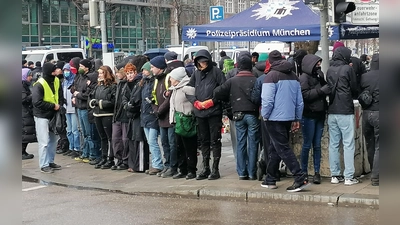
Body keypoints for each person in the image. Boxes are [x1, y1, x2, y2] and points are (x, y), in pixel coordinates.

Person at [260, 50, 309, 192]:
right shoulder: (294, 76)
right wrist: (297, 117)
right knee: (275, 148)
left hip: (274, 117)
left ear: (269, 61)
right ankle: (270, 178)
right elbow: (299, 101)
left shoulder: (270, 76)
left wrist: (265, 115)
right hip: (288, 117)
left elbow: (267, 100)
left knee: (282, 148)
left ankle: (300, 177)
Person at [214, 52, 260, 180]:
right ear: (251, 66)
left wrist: (229, 100)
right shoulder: (255, 80)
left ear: (238, 67)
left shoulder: (232, 81)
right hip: (252, 114)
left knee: (240, 144)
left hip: (238, 114)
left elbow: (217, 92)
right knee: (253, 144)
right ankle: (252, 172)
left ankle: (242, 172)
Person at [186, 49, 226, 180]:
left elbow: (223, 89)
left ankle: (215, 168)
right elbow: (189, 90)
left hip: (213, 112)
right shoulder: (196, 74)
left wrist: (213, 101)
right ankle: (205, 167)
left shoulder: (216, 72)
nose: (202, 64)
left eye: (204, 61)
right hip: (200, 112)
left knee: (215, 140)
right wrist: (195, 102)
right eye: (199, 61)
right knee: (203, 141)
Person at [326, 46, 359, 186]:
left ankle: (335, 175)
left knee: (333, 144)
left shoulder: (329, 70)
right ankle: (348, 176)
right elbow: (354, 88)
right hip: (345, 109)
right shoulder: (348, 69)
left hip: (332, 110)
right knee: (348, 144)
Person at [299, 54, 330, 184]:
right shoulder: (304, 78)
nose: (319, 65)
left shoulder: (319, 75)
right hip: (309, 114)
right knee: (307, 144)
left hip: (319, 114)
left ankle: (317, 172)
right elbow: (304, 95)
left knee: (317, 145)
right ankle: (304, 172)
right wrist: (321, 91)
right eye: (317, 63)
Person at [31, 62, 64, 173]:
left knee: (53, 140)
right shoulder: (39, 84)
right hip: (42, 115)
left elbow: (60, 96)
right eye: (56, 69)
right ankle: (44, 165)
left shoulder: (56, 80)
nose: (58, 70)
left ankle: (50, 161)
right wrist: (53, 106)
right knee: (44, 141)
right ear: (51, 71)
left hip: (53, 115)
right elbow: (36, 102)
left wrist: (59, 105)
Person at [150, 56, 177, 178]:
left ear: (160, 67)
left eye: (152, 67)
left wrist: (159, 110)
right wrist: (156, 110)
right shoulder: (156, 80)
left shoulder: (167, 78)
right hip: (161, 117)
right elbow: (154, 98)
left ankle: (173, 166)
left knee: (172, 143)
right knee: (164, 143)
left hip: (169, 117)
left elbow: (170, 97)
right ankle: (167, 165)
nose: (151, 69)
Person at [168, 67, 198, 179]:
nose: (170, 79)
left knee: (189, 147)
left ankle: (191, 170)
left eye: (172, 77)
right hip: (177, 122)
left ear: (178, 78)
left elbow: (194, 102)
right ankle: (183, 169)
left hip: (186, 121)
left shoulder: (187, 88)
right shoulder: (174, 89)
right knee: (179, 147)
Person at [89, 65, 117, 169]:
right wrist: (92, 102)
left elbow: (113, 102)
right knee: (102, 138)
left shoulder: (113, 86)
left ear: (106, 74)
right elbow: (91, 97)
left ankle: (111, 158)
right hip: (97, 114)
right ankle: (104, 157)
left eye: (101, 73)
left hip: (107, 114)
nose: (99, 75)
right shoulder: (98, 86)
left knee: (109, 138)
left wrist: (100, 103)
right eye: (99, 73)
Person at [72, 59, 100, 163]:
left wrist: (78, 95)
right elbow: (75, 88)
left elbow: (87, 94)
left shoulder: (90, 77)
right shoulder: (80, 77)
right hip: (79, 106)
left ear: (87, 67)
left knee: (89, 133)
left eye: (82, 66)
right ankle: (85, 152)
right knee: (83, 132)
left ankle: (91, 154)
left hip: (85, 107)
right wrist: (75, 94)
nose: (80, 68)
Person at [124, 62, 150, 173]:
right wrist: (127, 105)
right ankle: (133, 164)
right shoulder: (126, 85)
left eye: (131, 73)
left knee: (139, 140)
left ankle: (140, 166)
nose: (129, 75)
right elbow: (124, 99)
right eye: (128, 73)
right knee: (132, 140)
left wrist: (130, 106)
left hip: (138, 116)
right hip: (131, 116)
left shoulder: (140, 84)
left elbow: (137, 100)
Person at [140, 62, 164, 174]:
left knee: (152, 141)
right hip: (145, 116)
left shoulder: (153, 82)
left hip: (152, 116)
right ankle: (155, 163)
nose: (143, 72)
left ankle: (157, 164)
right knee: (151, 142)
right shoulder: (145, 83)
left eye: (145, 70)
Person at [360, 53, 379, 186]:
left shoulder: (364, 76)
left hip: (366, 114)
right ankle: (376, 177)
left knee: (370, 144)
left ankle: (374, 171)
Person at [110, 65, 130, 170]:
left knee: (125, 139)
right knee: (116, 139)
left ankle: (125, 160)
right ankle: (119, 158)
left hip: (125, 116)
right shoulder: (119, 84)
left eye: (117, 72)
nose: (116, 74)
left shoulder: (126, 84)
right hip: (117, 116)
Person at [61, 63, 80, 157]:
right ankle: (71, 147)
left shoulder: (75, 81)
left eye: (67, 70)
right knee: (69, 130)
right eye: (64, 70)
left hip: (73, 109)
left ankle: (77, 148)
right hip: (66, 109)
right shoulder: (64, 82)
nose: (66, 72)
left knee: (75, 130)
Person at [22, 68, 36, 160]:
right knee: (25, 131)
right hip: (23, 112)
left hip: (25, 111)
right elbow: (23, 99)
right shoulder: (21, 86)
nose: (31, 78)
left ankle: (23, 151)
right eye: (29, 76)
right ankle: (22, 152)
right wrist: (32, 96)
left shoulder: (25, 85)